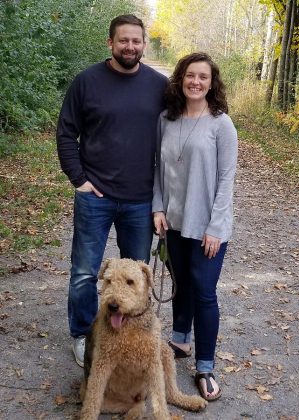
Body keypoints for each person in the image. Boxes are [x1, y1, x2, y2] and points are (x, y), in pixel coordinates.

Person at [56, 14, 168, 367]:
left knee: (137, 276)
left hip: (140, 199)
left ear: (144, 44)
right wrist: (79, 179)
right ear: (110, 42)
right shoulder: (86, 82)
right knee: (86, 272)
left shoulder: (159, 86)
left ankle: (130, 336)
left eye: (136, 41)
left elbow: (183, 125)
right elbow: (65, 133)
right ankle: (84, 335)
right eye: (123, 40)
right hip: (95, 198)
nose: (130, 47)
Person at [153, 52, 237, 401]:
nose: (196, 82)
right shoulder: (165, 119)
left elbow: (226, 179)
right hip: (173, 222)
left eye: (203, 77)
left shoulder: (221, 124)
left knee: (203, 290)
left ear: (211, 82)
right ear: (181, 78)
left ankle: (205, 365)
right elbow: (155, 167)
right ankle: (180, 340)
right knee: (181, 283)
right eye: (190, 75)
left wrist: (216, 227)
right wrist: (158, 207)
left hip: (207, 228)